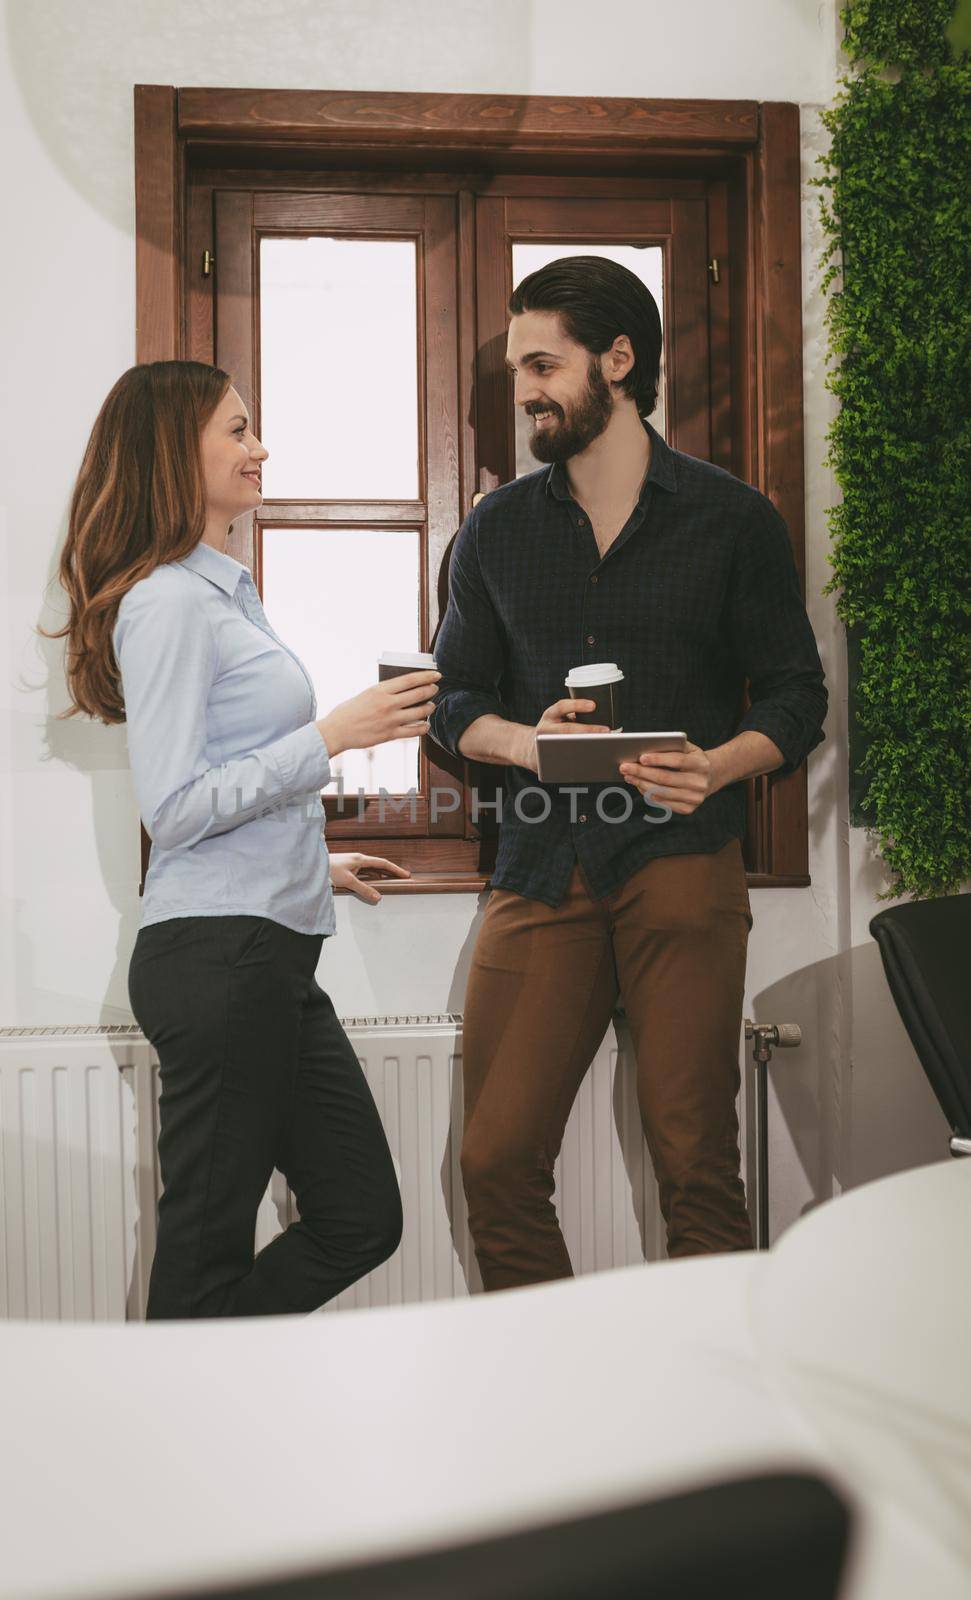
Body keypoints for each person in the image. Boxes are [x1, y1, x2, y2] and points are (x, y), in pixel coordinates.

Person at [430, 256, 827, 1289]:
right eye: (517, 366)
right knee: (494, 1159)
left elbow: (795, 696)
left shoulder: (731, 521)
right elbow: (453, 703)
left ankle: (709, 1425)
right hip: (539, 868)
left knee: (697, 1166)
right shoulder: (493, 532)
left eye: (541, 362)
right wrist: (527, 741)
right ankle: (564, 1400)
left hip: (682, 861)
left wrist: (720, 765)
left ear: (618, 360)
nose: (521, 388)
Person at [45, 359, 441, 1317]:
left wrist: (318, 859)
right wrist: (330, 738)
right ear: (174, 453)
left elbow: (225, 782)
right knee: (202, 1249)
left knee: (361, 1216)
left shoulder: (221, 592)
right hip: (222, 961)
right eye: (237, 430)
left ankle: (212, 1385)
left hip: (263, 954)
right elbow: (174, 809)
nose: (259, 449)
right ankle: (180, 1437)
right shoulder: (168, 603)